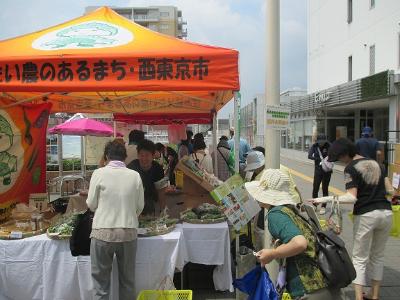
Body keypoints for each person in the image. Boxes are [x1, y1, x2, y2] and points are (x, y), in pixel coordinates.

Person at [312, 138, 392, 300]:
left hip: (366, 215)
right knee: (378, 256)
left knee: (359, 258)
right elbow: (389, 190)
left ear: (344, 154)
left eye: (339, 158)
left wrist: (324, 199)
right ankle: (374, 295)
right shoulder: (376, 164)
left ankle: (358, 297)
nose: (340, 161)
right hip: (386, 213)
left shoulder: (351, 168)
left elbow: (351, 197)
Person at [245, 169, 342, 300]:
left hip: (309, 287)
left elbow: (300, 243)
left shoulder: (276, 215)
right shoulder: (289, 210)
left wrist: (272, 254)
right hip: (325, 282)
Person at [86, 140, 144, 300]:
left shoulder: (98, 173)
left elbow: (91, 204)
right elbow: (140, 206)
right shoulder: (135, 176)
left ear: (106, 156)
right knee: (127, 282)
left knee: (101, 284)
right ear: (124, 157)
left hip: (102, 233)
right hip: (128, 234)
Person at [127, 139, 166, 215]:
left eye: (147, 155)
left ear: (153, 155)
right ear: (138, 155)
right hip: (133, 202)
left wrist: (163, 211)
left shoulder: (158, 169)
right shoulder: (131, 167)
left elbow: (161, 191)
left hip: (151, 201)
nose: (144, 159)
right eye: (141, 155)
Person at [308, 134, 332, 215]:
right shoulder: (314, 146)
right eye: (320, 142)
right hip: (318, 171)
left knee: (325, 189)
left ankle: (323, 206)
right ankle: (315, 205)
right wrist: (318, 159)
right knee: (315, 188)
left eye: (323, 142)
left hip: (327, 172)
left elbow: (335, 156)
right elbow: (309, 156)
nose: (321, 143)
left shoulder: (329, 145)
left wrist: (327, 159)